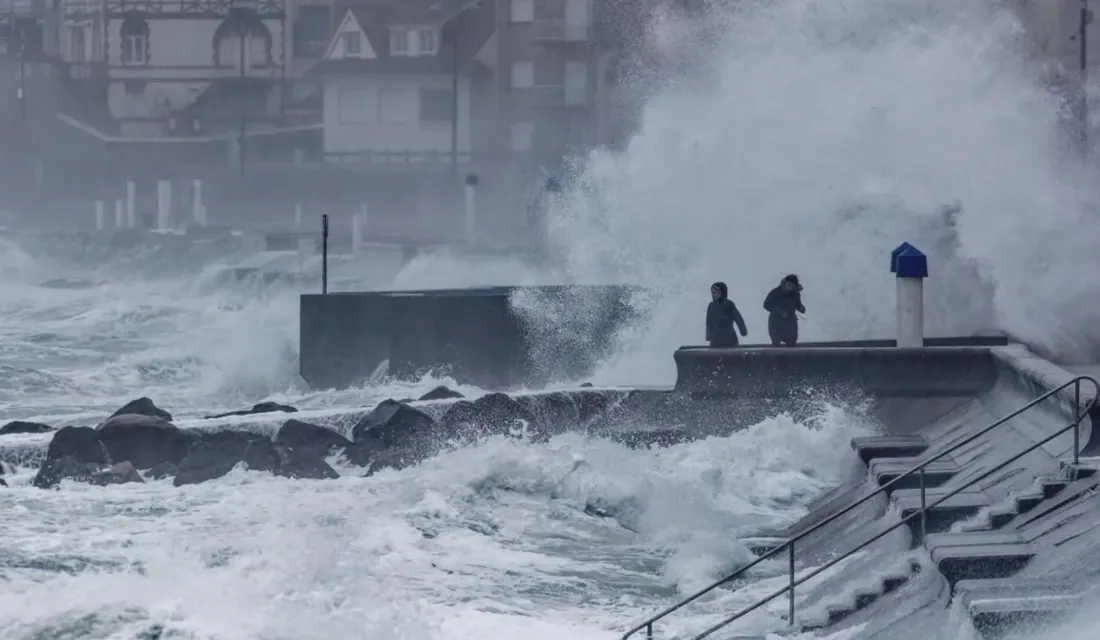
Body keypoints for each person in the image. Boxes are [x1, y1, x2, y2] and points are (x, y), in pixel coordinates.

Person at [763, 274, 805, 346]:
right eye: (788, 285)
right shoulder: (775, 292)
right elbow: (766, 305)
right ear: (785, 283)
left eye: (792, 286)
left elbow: (797, 304)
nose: (789, 288)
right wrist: (779, 311)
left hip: (790, 323)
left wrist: (801, 308)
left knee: (792, 343)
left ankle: (791, 356)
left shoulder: (795, 294)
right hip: (775, 323)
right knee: (776, 345)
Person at [706, 281, 748, 347]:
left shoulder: (729, 304)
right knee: (714, 355)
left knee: (732, 355)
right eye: (713, 292)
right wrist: (709, 336)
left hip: (730, 338)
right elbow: (709, 322)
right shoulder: (711, 306)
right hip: (716, 339)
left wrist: (743, 331)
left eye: (716, 292)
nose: (714, 294)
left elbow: (738, 318)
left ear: (722, 292)